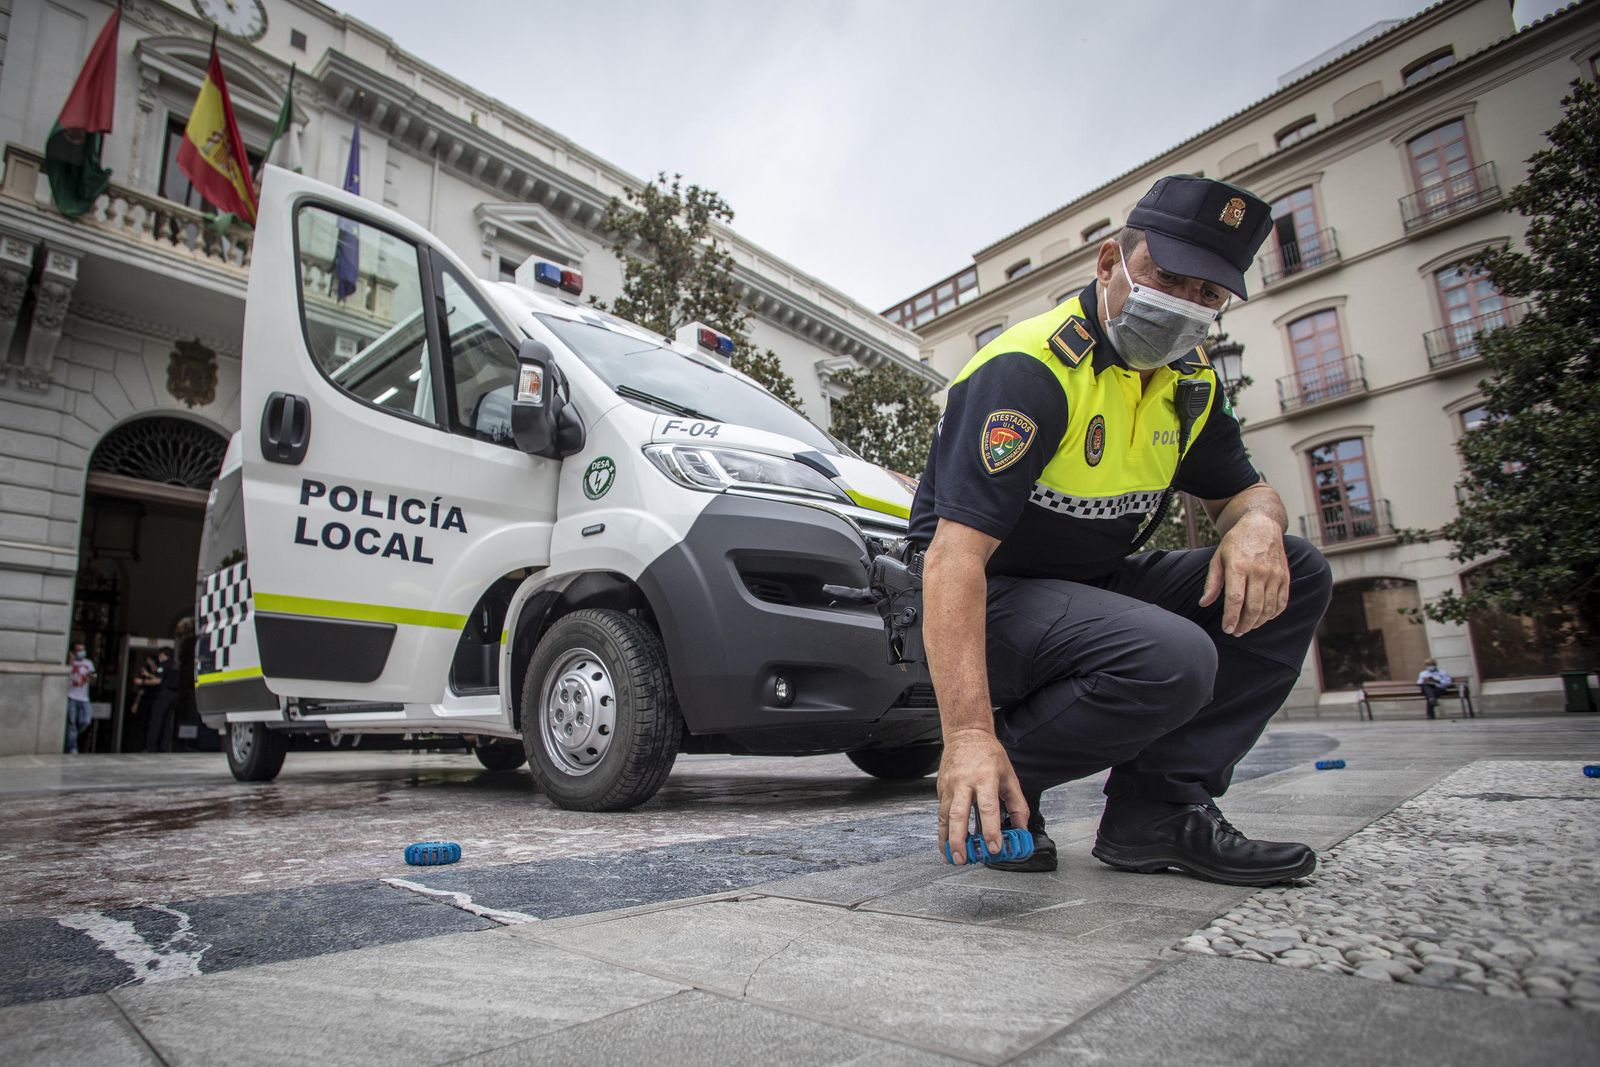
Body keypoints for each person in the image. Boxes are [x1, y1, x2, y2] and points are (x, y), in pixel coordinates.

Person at [910, 174, 1333, 887]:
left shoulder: (1189, 380)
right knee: (1172, 655)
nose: (1185, 305)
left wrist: (1257, 520)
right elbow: (952, 562)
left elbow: (1246, 489)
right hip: (984, 597)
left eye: (1208, 295)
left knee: (1298, 570)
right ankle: (1000, 780)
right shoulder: (1031, 370)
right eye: (1168, 277)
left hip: (1088, 589)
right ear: (1110, 263)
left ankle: (1157, 809)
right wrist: (969, 738)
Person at [145, 646, 179, 753]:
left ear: (163, 655)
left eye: (160, 656)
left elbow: (159, 680)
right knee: (168, 722)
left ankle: (151, 747)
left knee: (156, 720)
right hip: (174, 695)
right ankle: (165, 747)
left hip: (164, 694)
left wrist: (143, 682)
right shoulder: (176, 665)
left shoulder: (164, 665)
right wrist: (150, 675)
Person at [64, 642, 95, 754]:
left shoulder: (88, 663)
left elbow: (94, 675)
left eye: (83, 649)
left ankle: (73, 736)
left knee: (86, 721)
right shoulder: (71, 663)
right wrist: (71, 661)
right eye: (78, 650)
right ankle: (73, 748)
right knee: (72, 723)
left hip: (84, 698)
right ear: (74, 651)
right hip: (71, 696)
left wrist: (89, 676)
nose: (81, 652)